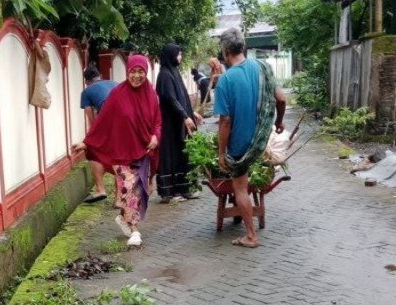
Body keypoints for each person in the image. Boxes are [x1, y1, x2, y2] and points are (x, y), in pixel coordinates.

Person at [73, 55, 161, 247]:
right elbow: (102, 121)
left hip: (143, 151)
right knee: (130, 190)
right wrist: (87, 143)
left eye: (141, 72)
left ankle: (124, 219)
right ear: (127, 72)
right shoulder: (117, 94)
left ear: (145, 73)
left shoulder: (151, 95)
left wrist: (155, 136)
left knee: (139, 190)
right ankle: (135, 230)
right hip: (122, 151)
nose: (136, 76)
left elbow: (157, 122)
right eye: (133, 71)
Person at [214, 28, 286, 248]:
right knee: (244, 184)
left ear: (226, 52)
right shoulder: (263, 67)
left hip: (241, 145)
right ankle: (244, 221)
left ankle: (251, 236)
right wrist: (278, 122)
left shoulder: (225, 81)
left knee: (240, 188)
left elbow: (225, 122)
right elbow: (281, 99)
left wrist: (221, 152)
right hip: (261, 140)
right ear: (243, 47)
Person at [156, 43, 203, 203]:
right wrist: (184, 116)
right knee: (172, 155)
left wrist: (191, 113)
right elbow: (170, 98)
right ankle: (171, 191)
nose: (181, 57)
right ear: (171, 55)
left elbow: (181, 96)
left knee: (183, 154)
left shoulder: (174, 72)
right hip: (171, 124)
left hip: (179, 122)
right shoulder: (164, 75)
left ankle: (184, 188)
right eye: (178, 54)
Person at [79, 66, 118, 203]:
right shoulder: (114, 83)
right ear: (100, 75)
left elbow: (91, 120)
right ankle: (119, 199)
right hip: (127, 120)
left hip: (108, 117)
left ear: (86, 81)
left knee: (94, 152)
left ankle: (100, 189)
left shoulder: (87, 91)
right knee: (119, 156)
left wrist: (91, 138)